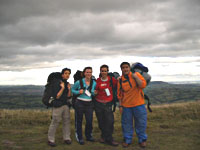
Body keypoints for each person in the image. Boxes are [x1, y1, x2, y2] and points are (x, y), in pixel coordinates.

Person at [117, 62, 148, 148]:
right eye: (123, 68)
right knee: (126, 124)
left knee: (141, 123)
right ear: (121, 69)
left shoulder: (136, 74)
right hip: (126, 106)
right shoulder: (120, 80)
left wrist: (135, 77)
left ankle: (142, 140)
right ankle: (127, 140)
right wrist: (120, 106)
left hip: (139, 104)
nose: (125, 69)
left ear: (129, 68)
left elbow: (142, 85)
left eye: (127, 67)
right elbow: (119, 94)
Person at [94, 64, 119, 146]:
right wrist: (95, 92)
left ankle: (109, 138)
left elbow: (119, 85)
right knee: (101, 121)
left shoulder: (112, 80)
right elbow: (95, 90)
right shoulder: (97, 81)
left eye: (105, 71)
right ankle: (103, 136)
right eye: (102, 71)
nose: (104, 72)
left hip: (108, 103)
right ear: (100, 71)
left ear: (107, 71)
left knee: (110, 121)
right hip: (98, 103)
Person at [71, 67, 96, 145]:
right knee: (79, 121)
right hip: (79, 103)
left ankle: (88, 136)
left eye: (90, 72)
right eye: (87, 72)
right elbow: (72, 90)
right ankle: (79, 137)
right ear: (84, 73)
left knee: (89, 121)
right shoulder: (79, 82)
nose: (88, 74)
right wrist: (78, 91)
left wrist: (94, 92)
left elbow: (93, 93)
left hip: (89, 103)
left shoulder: (94, 83)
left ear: (92, 73)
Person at [47, 68, 72, 147]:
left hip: (65, 105)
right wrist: (62, 88)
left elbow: (68, 96)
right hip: (58, 105)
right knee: (55, 122)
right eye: (65, 73)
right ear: (62, 74)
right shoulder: (57, 83)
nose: (67, 75)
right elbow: (57, 96)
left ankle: (66, 138)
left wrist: (68, 89)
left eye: (68, 73)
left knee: (66, 121)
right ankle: (51, 139)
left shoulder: (66, 83)